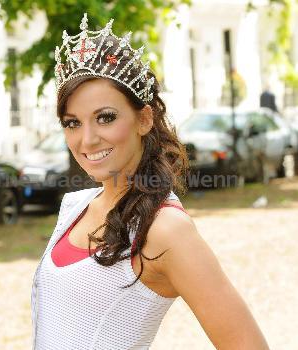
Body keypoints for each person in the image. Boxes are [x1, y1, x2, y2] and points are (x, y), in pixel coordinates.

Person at [31, 13, 270, 350]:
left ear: (144, 119)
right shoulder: (75, 207)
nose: (86, 140)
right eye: (72, 123)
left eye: (105, 118)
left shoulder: (165, 229)